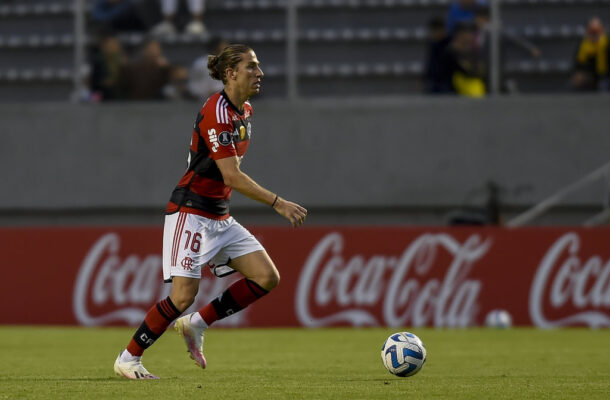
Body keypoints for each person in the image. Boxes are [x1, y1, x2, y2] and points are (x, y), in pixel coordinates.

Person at [113, 44, 308, 380]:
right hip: (190, 210)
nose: (259, 73)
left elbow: (228, 177)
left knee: (266, 277)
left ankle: (197, 324)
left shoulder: (245, 110)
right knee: (183, 295)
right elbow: (231, 175)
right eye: (252, 66)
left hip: (219, 215)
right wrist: (278, 202)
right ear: (230, 73)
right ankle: (128, 359)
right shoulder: (216, 111)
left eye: (258, 66)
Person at [570, 17, 609, 91]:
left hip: (605, 77)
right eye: (592, 32)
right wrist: (579, 74)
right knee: (574, 83)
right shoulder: (583, 45)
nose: (594, 35)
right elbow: (578, 64)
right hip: (589, 77)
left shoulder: (607, 44)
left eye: (597, 32)